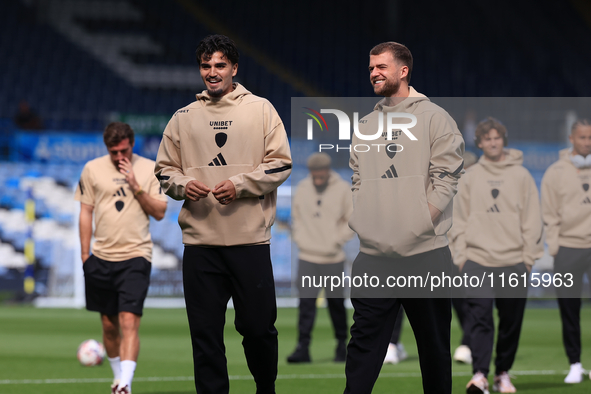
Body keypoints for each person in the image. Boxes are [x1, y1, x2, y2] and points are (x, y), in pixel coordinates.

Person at [154, 34, 292, 394]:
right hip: (201, 246)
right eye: (205, 65)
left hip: (250, 242)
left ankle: (266, 388)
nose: (212, 72)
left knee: (260, 329)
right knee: (205, 335)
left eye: (219, 65)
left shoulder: (262, 109)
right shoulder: (183, 118)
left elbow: (280, 165)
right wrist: (184, 185)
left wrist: (240, 185)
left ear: (233, 68)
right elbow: (164, 172)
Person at [344, 41, 465, 394]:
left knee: (433, 351)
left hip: (425, 255)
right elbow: (357, 179)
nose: (374, 73)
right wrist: (367, 221)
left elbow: (447, 178)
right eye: (371, 68)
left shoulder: (436, 118)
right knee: (362, 350)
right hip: (374, 257)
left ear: (403, 70)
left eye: (381, 66)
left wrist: (417, 225)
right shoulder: (365, 123)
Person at [75, 122, 168, 394]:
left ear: (132, 144)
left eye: (123, 150)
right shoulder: (92, 169)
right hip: (101, 258)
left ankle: (125, 383)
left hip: (136, 255)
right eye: (113, 152)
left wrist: (135, 187)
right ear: (107, 149)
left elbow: (160, 212)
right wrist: (84, 255)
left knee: (129, 320)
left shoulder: (151, 168)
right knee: (108, 324)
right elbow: (85, 211)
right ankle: (118, 379)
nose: (119, 157)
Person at [453, 117, 544, 393]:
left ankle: (502, 372)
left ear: (503, 140)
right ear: (479, 144)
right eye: (486, 139)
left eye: (496, 137)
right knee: (480, 319)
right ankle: (479, 374)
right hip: (477, 261)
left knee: (510, 322)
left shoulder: (522, 176)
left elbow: (532, 219)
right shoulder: (469, 177)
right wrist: (461, 256)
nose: (492, 142)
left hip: (514, 260)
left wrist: (528, 258)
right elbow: (458, 219)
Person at [287, 152, 353, 364]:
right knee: (306, 305)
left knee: (336, 304)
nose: (317, 178)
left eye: (320, 174)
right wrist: (300, 239)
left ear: (327, 170)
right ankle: (303, 347)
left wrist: (336, 240)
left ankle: (342, 345)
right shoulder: (303, 189)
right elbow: (295, 218)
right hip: (307, 257)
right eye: (314, 174)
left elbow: (351, 219)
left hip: (333, 258)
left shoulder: (343, 189)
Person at [541, 119, 591, 384]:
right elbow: (549, 213)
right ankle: (575, 364)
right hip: (569, 248)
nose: (587, 142)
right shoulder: (556, 172)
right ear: (572, 138)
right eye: (582, 137)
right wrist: (556, 246)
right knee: (569, 310)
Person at [449, 150, 478, 365]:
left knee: (473, 303)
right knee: (458, 303)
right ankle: (469, 341)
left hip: (474, 254)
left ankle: (469, 343)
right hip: (448, 254)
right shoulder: (449, 189)